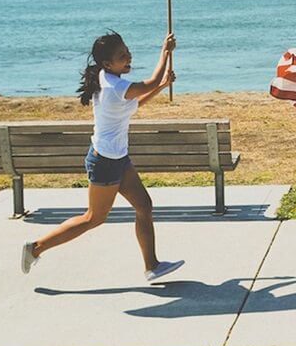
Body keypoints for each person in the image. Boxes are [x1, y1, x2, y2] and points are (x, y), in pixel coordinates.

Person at [20, 30, 184, 282]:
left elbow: (135, 103)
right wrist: (165, 52)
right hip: (105, 162)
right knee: (93, 218)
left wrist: (162, 86)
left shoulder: (107, 77)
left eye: (127, 51)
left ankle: (152, 266)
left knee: (144, 206)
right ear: (107, 63)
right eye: (122, 56)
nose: (128, 57)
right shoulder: (114, 85)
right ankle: (35, 248)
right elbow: (148, 83)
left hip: (118, 158)